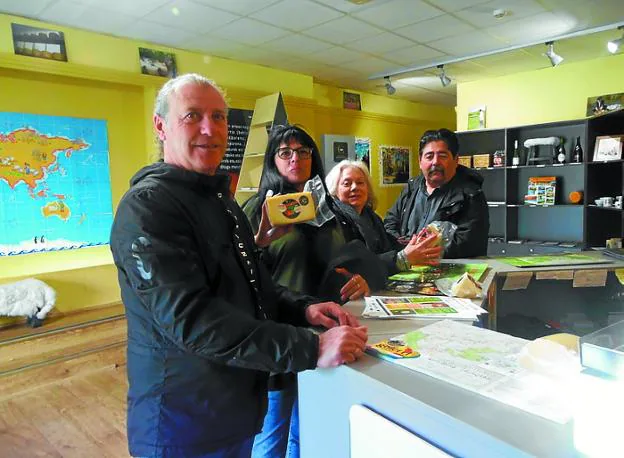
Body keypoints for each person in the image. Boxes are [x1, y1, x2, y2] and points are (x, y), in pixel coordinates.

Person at [109, 73, 368, 458]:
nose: (209, 128)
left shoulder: (221, 202)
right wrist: (310, 347)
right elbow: (192, 319)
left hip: (235, 406)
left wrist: (303, 308)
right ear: (160, 126)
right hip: (182, 425)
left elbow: (253, 287)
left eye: (219, 117)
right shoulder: (148, 207)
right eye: (192, 116)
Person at [242, 125, 384, 458]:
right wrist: (262, 241)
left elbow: (358, 254)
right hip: (278, 335)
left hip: (327, 333)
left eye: (303, 151)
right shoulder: (257, 209)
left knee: (306, 431)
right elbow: (244, 273)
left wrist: (363, 277)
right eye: (285, 152)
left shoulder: (331, 209)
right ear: (272, 159)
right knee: (271, 434)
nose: (295, 158)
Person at [384, 128, 489, 259]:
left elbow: (470, 244)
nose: (435, 162)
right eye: (429, 156)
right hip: (407, 267)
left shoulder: (471, 195)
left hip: (449, 272)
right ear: (420, 161)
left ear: (456, 160)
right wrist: (405, 248)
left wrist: (424, 250)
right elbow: (390, 223)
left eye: (443, 156)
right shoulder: (411, 189)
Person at [325, 160, 442, 272]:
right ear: (334, 191)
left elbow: (391, 247)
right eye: (347, 183)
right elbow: (354, 265)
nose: (355, 187)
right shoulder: (334, 223)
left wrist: (417, 245)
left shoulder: (372, 218)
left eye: (360, 182)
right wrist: (403, 258)